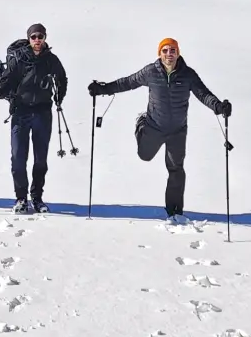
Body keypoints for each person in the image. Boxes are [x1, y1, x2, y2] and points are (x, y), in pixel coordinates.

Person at [89, 37, 229, 223]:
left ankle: (175, 211)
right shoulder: (151, 72)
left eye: (172, 50)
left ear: (178, 53)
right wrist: (104, 88)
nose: (169, 54)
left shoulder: (188, 74)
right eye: (165, 51)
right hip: (153, 127)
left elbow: (203, 94)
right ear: (159, 54)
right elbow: (128, 82)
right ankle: (141, 124)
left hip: (177, 130)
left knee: (176, 168)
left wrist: (218, 106)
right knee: (145, 155)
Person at [0, 22, 68, 214]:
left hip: (43, 112)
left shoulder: (51, 60)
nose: (37, 40)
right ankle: (21, 198)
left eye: (40, 36)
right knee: (18, 157)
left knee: (40, 159)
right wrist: (0, 92)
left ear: (45, 38)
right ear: (28, 38)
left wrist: (59, 96)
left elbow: (62, 78)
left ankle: (37, 198)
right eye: (33, 37)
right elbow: (8, 79)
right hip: (21, 112)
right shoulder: (19, 59)